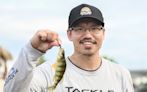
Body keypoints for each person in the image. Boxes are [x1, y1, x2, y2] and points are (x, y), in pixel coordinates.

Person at [4, 4, 134, 92]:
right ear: (69, 34)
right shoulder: (48, 73)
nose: (88, 35)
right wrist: (31, 51)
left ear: (103, 33)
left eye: (95, 28)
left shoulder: (120, 74)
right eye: (79, 29)